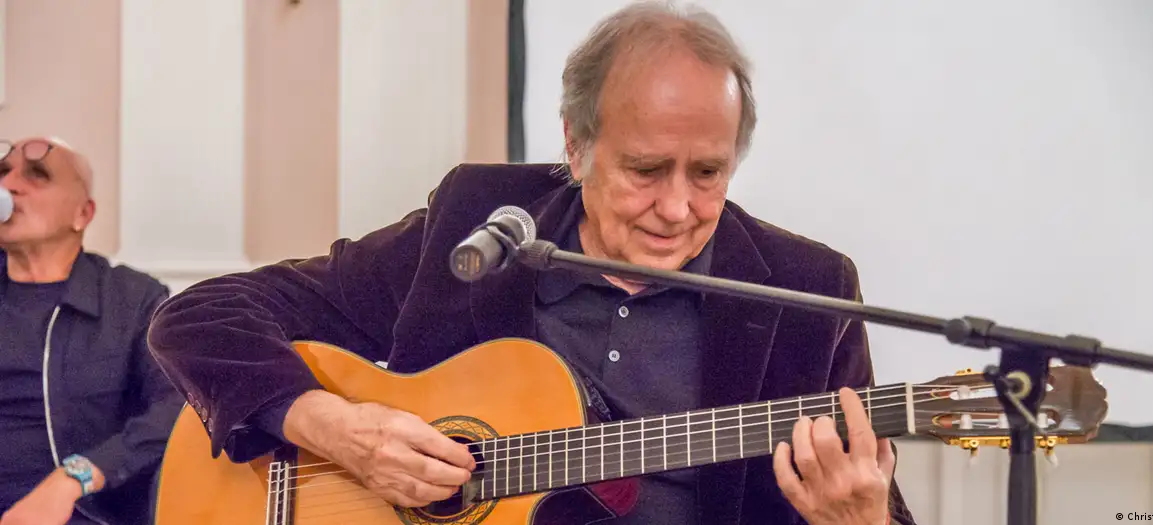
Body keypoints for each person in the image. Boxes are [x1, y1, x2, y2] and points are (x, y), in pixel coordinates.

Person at [146, 2, 917, 524]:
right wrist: (336, 427)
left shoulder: (805, 293)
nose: (678, 207)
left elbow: (876, 496)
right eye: (646, 170)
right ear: (576, 148)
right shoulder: (475, 225)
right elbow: (199, 316)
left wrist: (862, 519)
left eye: (708, 172)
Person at [0, 137, 183, 525]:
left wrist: (72, 479)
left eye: (37, 175)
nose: (10, 185)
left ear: (82, 214)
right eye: (4, 172)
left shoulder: (133, 300)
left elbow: (175, 408)